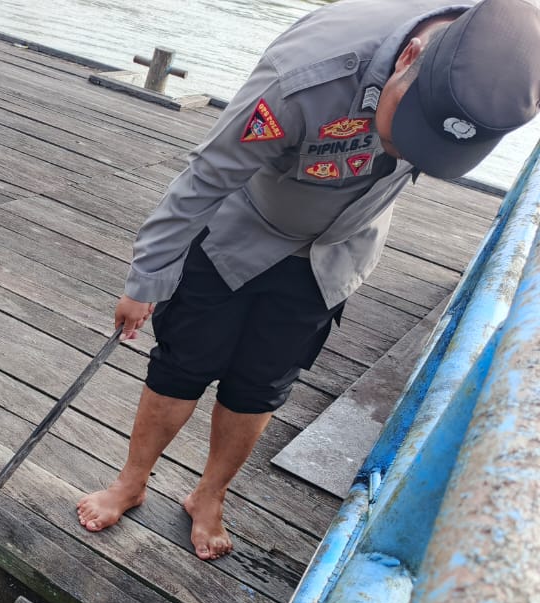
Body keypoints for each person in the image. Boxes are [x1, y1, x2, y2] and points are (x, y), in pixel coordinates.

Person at [76, 0, 540, 559]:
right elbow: (206, 178)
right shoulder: (304, 79)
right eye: (406, 130)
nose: (404, 152)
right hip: (243, 234)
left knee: (262, 384)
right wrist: (147, 276)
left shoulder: (493, 79)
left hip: (334, 254)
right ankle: (131, 482)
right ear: (407, 58)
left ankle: (210, 494)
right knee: (182, 364)